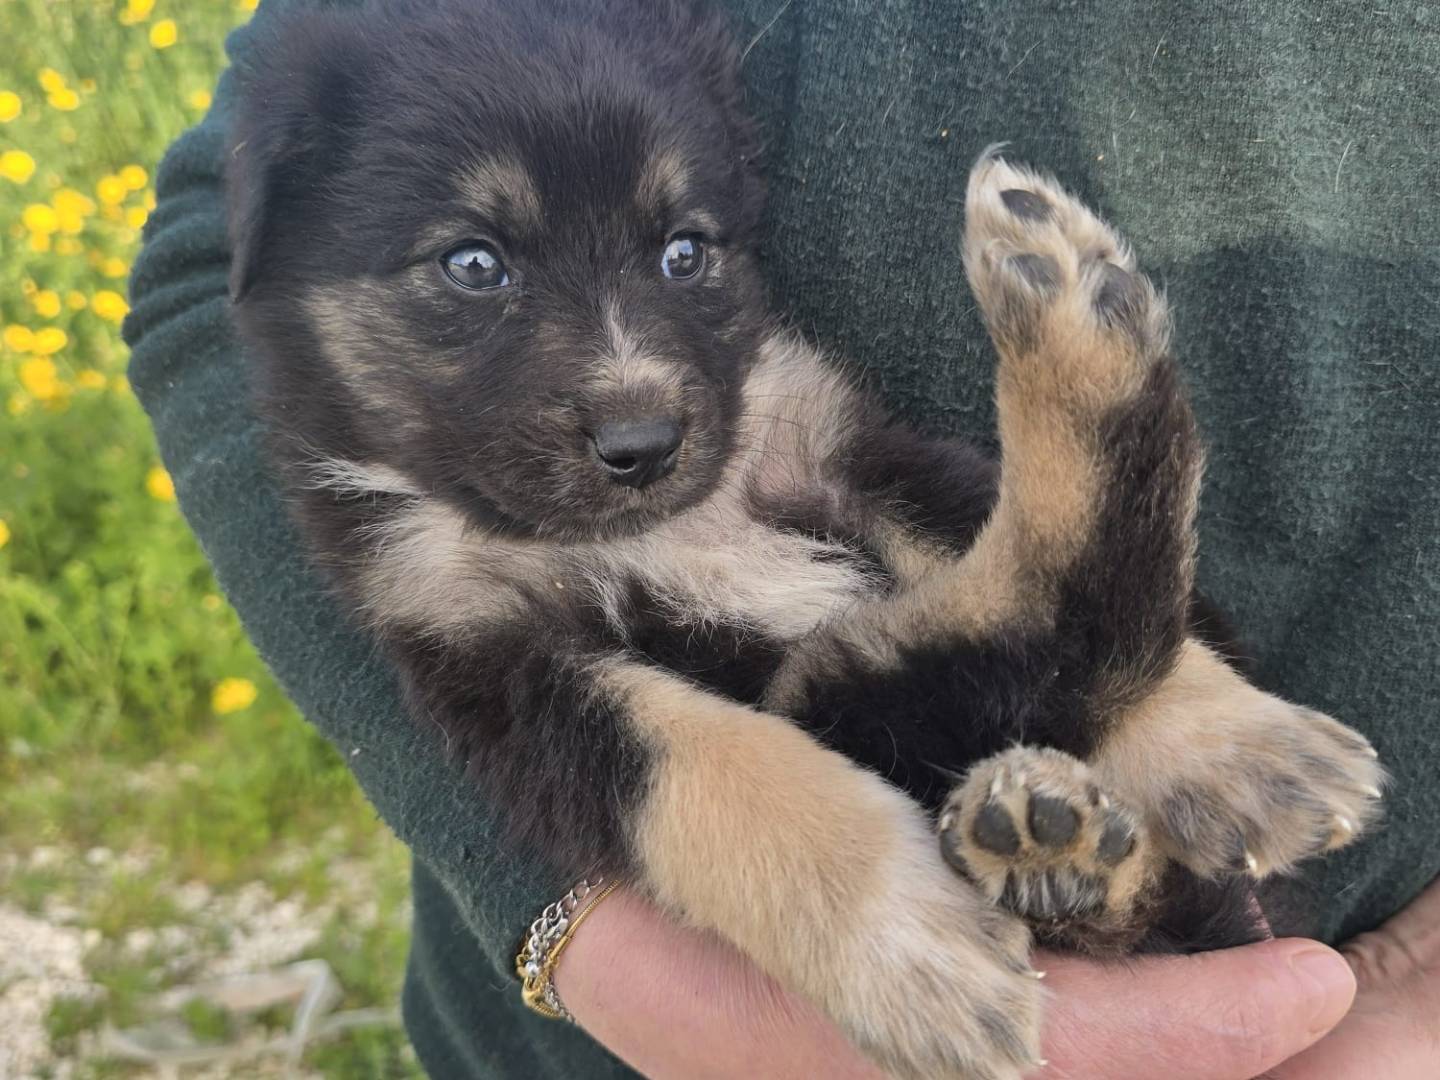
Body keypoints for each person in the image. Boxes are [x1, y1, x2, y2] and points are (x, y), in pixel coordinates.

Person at [125, 0, 1440, 1076]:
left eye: (685, 249)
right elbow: (200, 251)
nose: (636, 384)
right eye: (473, 267)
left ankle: (1117, 617)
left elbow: (930, 509)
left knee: (944, 530)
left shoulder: (758, 395)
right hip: (670, 1038)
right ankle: (1101, 488)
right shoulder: (401, 495)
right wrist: (723, 958)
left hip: (1362, 989)